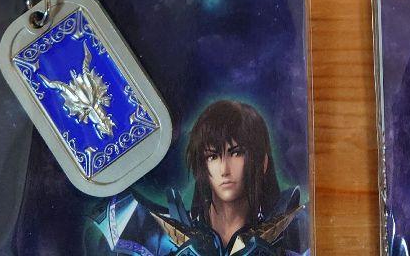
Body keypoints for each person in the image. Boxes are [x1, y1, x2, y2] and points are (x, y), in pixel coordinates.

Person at [94, 100, 307, 256]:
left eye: (236, 153)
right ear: (201, 166)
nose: (224, 169)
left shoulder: (296, 234)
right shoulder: (153, 234)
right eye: (212, 156)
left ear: (262, 162)